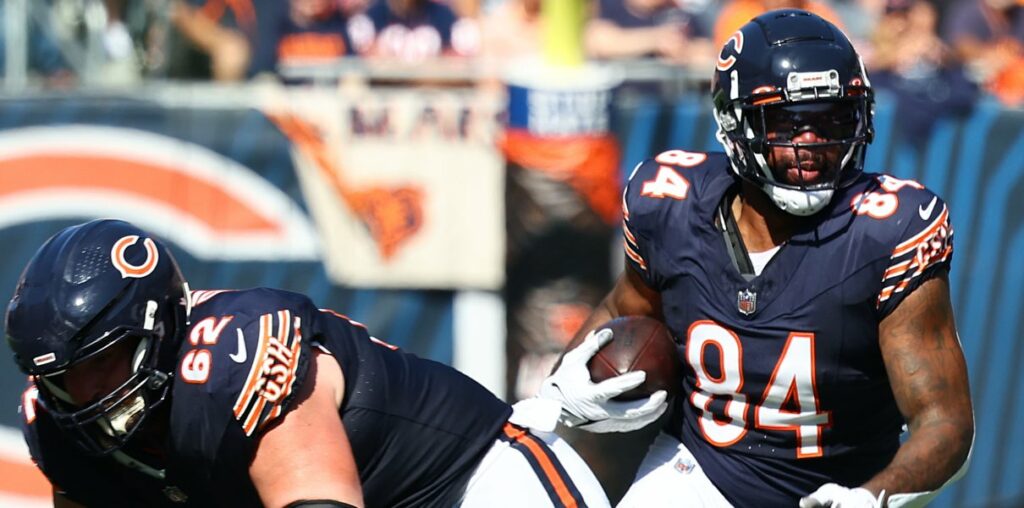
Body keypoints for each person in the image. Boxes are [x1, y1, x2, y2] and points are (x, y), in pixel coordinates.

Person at [537, 9, 975, 507]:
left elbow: (945, 421)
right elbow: (624, 312)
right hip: (696, 476)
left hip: (838, 492)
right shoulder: (671, 203)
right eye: (788, 121)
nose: (811, 143)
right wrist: (560, 386)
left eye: (831, 119)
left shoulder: (888, 230)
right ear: (733, 121)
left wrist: (873, 496)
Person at [5, 219, 610, 507]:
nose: (84, 394)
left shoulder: (234, 356)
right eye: (63, 378)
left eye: (103, 364)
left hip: (469, 485)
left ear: (159, 329)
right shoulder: (57, 427)